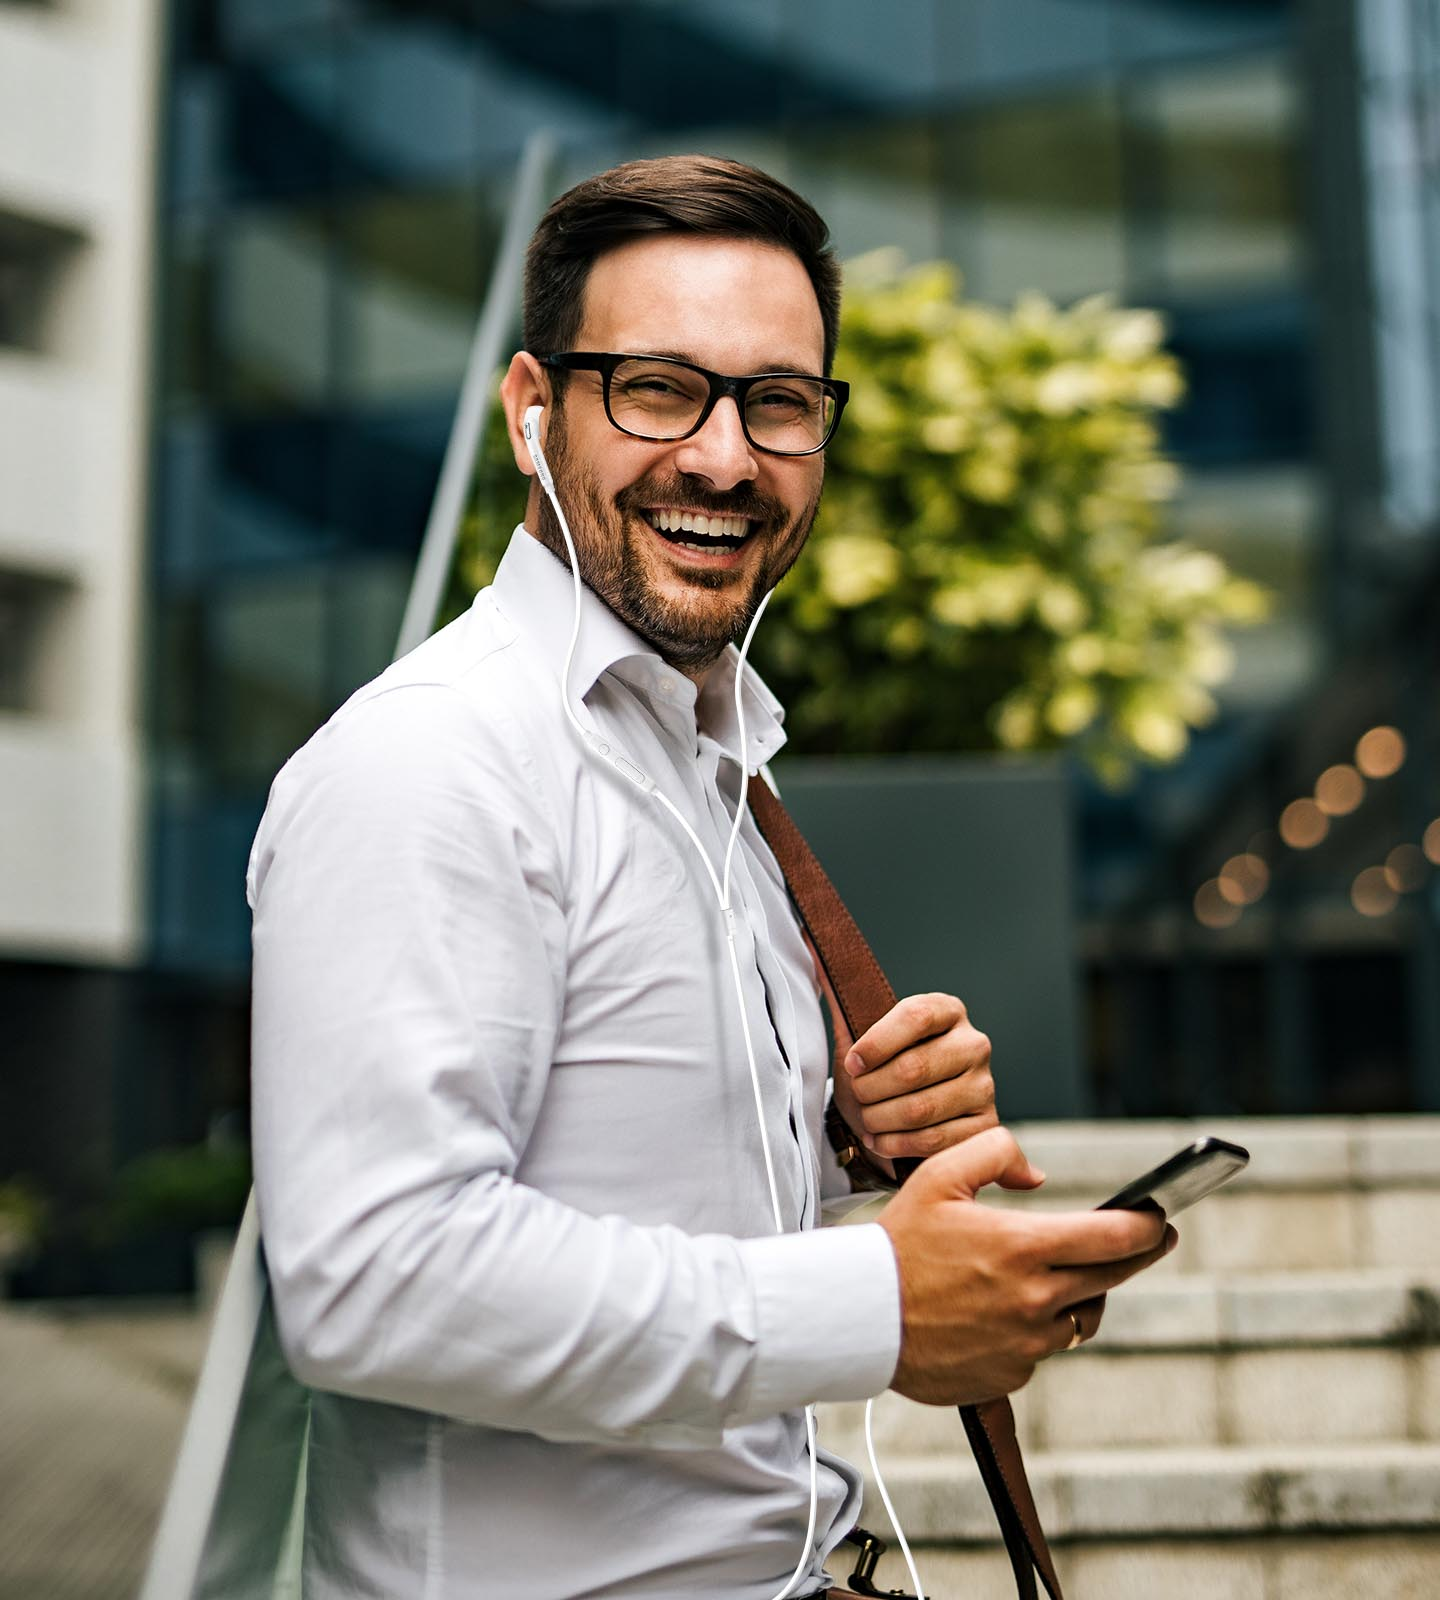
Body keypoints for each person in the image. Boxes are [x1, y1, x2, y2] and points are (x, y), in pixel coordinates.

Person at [248, 154, 1175, 1600]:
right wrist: (875, 1302)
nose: (726, 459)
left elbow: (616, 1168)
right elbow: (374, 1279)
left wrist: (833, 1131)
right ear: (533, 416)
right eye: (658, 388)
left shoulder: (704, 765)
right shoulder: (434, 763)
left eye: (779, 402)